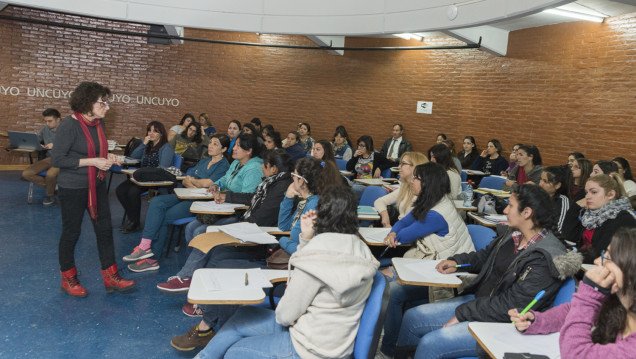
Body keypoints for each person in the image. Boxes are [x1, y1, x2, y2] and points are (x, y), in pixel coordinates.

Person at [393, 184, 582, 358]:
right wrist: (456, 262)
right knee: (412, 317)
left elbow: (512, 305)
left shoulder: (545, 257)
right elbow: (485, 257)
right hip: (482, 303)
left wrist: (463, 313)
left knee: (431, 343)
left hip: (502, 324)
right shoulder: (514, 234)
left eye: (510, 205)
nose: (505, 210)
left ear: (526, 212)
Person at [169, 157, 337, 352]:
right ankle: (209, 328)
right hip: (283, 258)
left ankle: (216, 333)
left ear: (301, 180)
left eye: (294, 175)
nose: (291, 178)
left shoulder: (313, 206)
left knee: (226, 270)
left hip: (293, 270)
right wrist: (288, 199)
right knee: (218, 258)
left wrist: (283, 242)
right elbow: (284, 226)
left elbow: (304, 250)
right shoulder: (303, 201)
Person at [191, 185, 380, 359]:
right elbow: (321, 268)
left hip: (306, 349)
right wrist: (306, 240)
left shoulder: (316, 259)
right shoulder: (360, 252)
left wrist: (307, 246)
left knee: (234, 353)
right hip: (333, 342)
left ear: (321, 216)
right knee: (243, 315)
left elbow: (285, 316)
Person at [157, 149, 293, 294]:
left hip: (254, 234)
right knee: (200, 233)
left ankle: (187, 278)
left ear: (274, 169)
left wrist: (236, 226)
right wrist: (226, 196)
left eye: (265, 165)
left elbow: (262, 217)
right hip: (247, 226)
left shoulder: (280, 188)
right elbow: (252, 198)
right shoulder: (271, 182)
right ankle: (189, 278)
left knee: (206, 237)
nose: (261, 167)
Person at [378, 162, 475, 358]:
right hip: (435, 266)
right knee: (386, 283)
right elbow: (404, 222)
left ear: (427, 183)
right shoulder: (431, 202)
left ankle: (388, 349)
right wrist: (394, 231)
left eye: (416, 178)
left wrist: (395, 235)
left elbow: (405, 236)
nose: (411, 181)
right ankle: (390, 337)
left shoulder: (436, 214)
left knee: (393, 291)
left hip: (455, 277)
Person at [51, 81, 135, 297]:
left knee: (105, 230)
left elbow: (97, 152)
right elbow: (58, 159)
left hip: (95, 184)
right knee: (71, 232)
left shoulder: (99, 124)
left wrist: (108, 157)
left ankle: (111, 277)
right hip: (73, 188)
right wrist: (93, 162)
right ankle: (68, 279)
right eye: (102, 102)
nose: (107, 106)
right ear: (87, 103)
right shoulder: (69, 126)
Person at [510, 227, 636, 359]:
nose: (597, 261)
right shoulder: (617, 301)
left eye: (609, 258)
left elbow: (575, 355)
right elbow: (573, 312)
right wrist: (538, 320)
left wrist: (588, 297)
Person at [122, 134, 236, 272]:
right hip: (186, 194)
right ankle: (144, 245)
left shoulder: (224, 166)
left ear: (224, 149)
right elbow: (186, 179)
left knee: (163, 217)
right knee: (157, 202)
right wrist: (196, 185)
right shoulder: (204, 161)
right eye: (210, 142)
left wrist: (194, 183)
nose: (210, 146)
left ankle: (152, 260)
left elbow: (208, 184)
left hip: (199, 202)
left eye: (215, 144)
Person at [115, 121, 175, 233]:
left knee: (132, 192)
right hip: (142, 177)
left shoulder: (166, 147)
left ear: (161, 133)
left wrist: (146, 173)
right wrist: (143, 144)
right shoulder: (148, 145)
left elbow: (163, 168)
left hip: (155, 179)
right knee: (120, 190)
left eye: (155, 131)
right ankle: (133, 219)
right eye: (149, 130)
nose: (151, 133)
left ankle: (134, 222)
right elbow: (133, 157)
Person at [576, 174, 636, 264]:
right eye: (586, 192)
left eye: (594, 192)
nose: (587, 197)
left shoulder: (622, 218)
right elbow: (569, 235)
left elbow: (600, 253)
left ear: (611, 194)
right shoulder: (590, 214)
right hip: (585, 264)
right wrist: (575, 207)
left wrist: (573, 258)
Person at [374, 152, 428, 227]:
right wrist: (385, 217)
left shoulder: (423, 192)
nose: (399, 167)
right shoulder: (406, 187)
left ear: (415, 166)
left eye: (403, 164)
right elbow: (379, 201)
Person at [21, 108, 61, 205]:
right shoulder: (45, 128)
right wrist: (37, 144)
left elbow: (72, 145)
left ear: (58, 120)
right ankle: (53, 186)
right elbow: (37, 139)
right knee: (26, 174)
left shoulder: (67, 129)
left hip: (62, 159)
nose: (47, 123)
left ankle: (49, 195)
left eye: (50, 121)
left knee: (50, 175)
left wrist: (55, 145)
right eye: (45, 121)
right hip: (49, 158)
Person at [539, 165, 581, 244]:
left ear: (557, 185)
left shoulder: (563, 201)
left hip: (551, 242)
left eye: (546, 181)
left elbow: (559, 230)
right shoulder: (538, 196)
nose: (541, 184)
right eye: (541, 179)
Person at [347, 135, 393, 200]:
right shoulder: (357, 156)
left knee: (354, 188)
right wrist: (354, 157)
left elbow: (390, 163)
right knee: (341, 181)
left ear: (368, 146)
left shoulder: (376, 156)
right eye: (359, 145)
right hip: (355, 182)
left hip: (368, 185)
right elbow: (348, 168)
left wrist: (379, 168)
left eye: (362, 146)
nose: (359, 148)